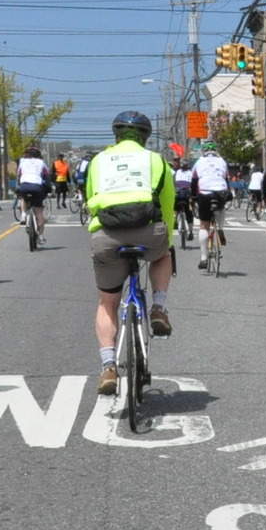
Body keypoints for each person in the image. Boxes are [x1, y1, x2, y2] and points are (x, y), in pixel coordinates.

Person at [85, 111, 175, 395]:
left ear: (116, 136)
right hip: (148, 233)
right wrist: (167, 239)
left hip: (108, 235)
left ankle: (108, 365)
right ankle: (159, 307)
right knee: (163, 254)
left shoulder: (98, 161)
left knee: (107, 303)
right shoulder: (156, 160)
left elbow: (90, 200)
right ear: (146, 137)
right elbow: (167, 204)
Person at [191, 143, 230, 267]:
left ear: (204, 151)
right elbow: (226, 178)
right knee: (221, 207)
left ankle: (203, 257)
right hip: (221, 190)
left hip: (205, 192)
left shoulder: (199, 162)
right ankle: (220, 228)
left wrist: (193, 197)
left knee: (204, 226)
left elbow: (194, 181)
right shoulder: (222, 161)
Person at [16, 146, 51, 238]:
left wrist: (18, 188)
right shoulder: (41, 163)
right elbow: (47, 177)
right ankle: (41, 235)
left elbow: (18, 175)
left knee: (24, 198)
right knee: (39, 211)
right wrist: (48, 189)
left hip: (24, 185)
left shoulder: (22, 161)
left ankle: (23, 215)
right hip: (37, 186)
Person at [172, 155, 195, 235]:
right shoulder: (191, 173)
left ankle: (175, 217)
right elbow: (194, 185)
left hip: (177, 194)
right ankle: (191, 231)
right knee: (189, 213)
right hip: (188, 195)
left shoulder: (175, 172)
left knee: (175, 208)